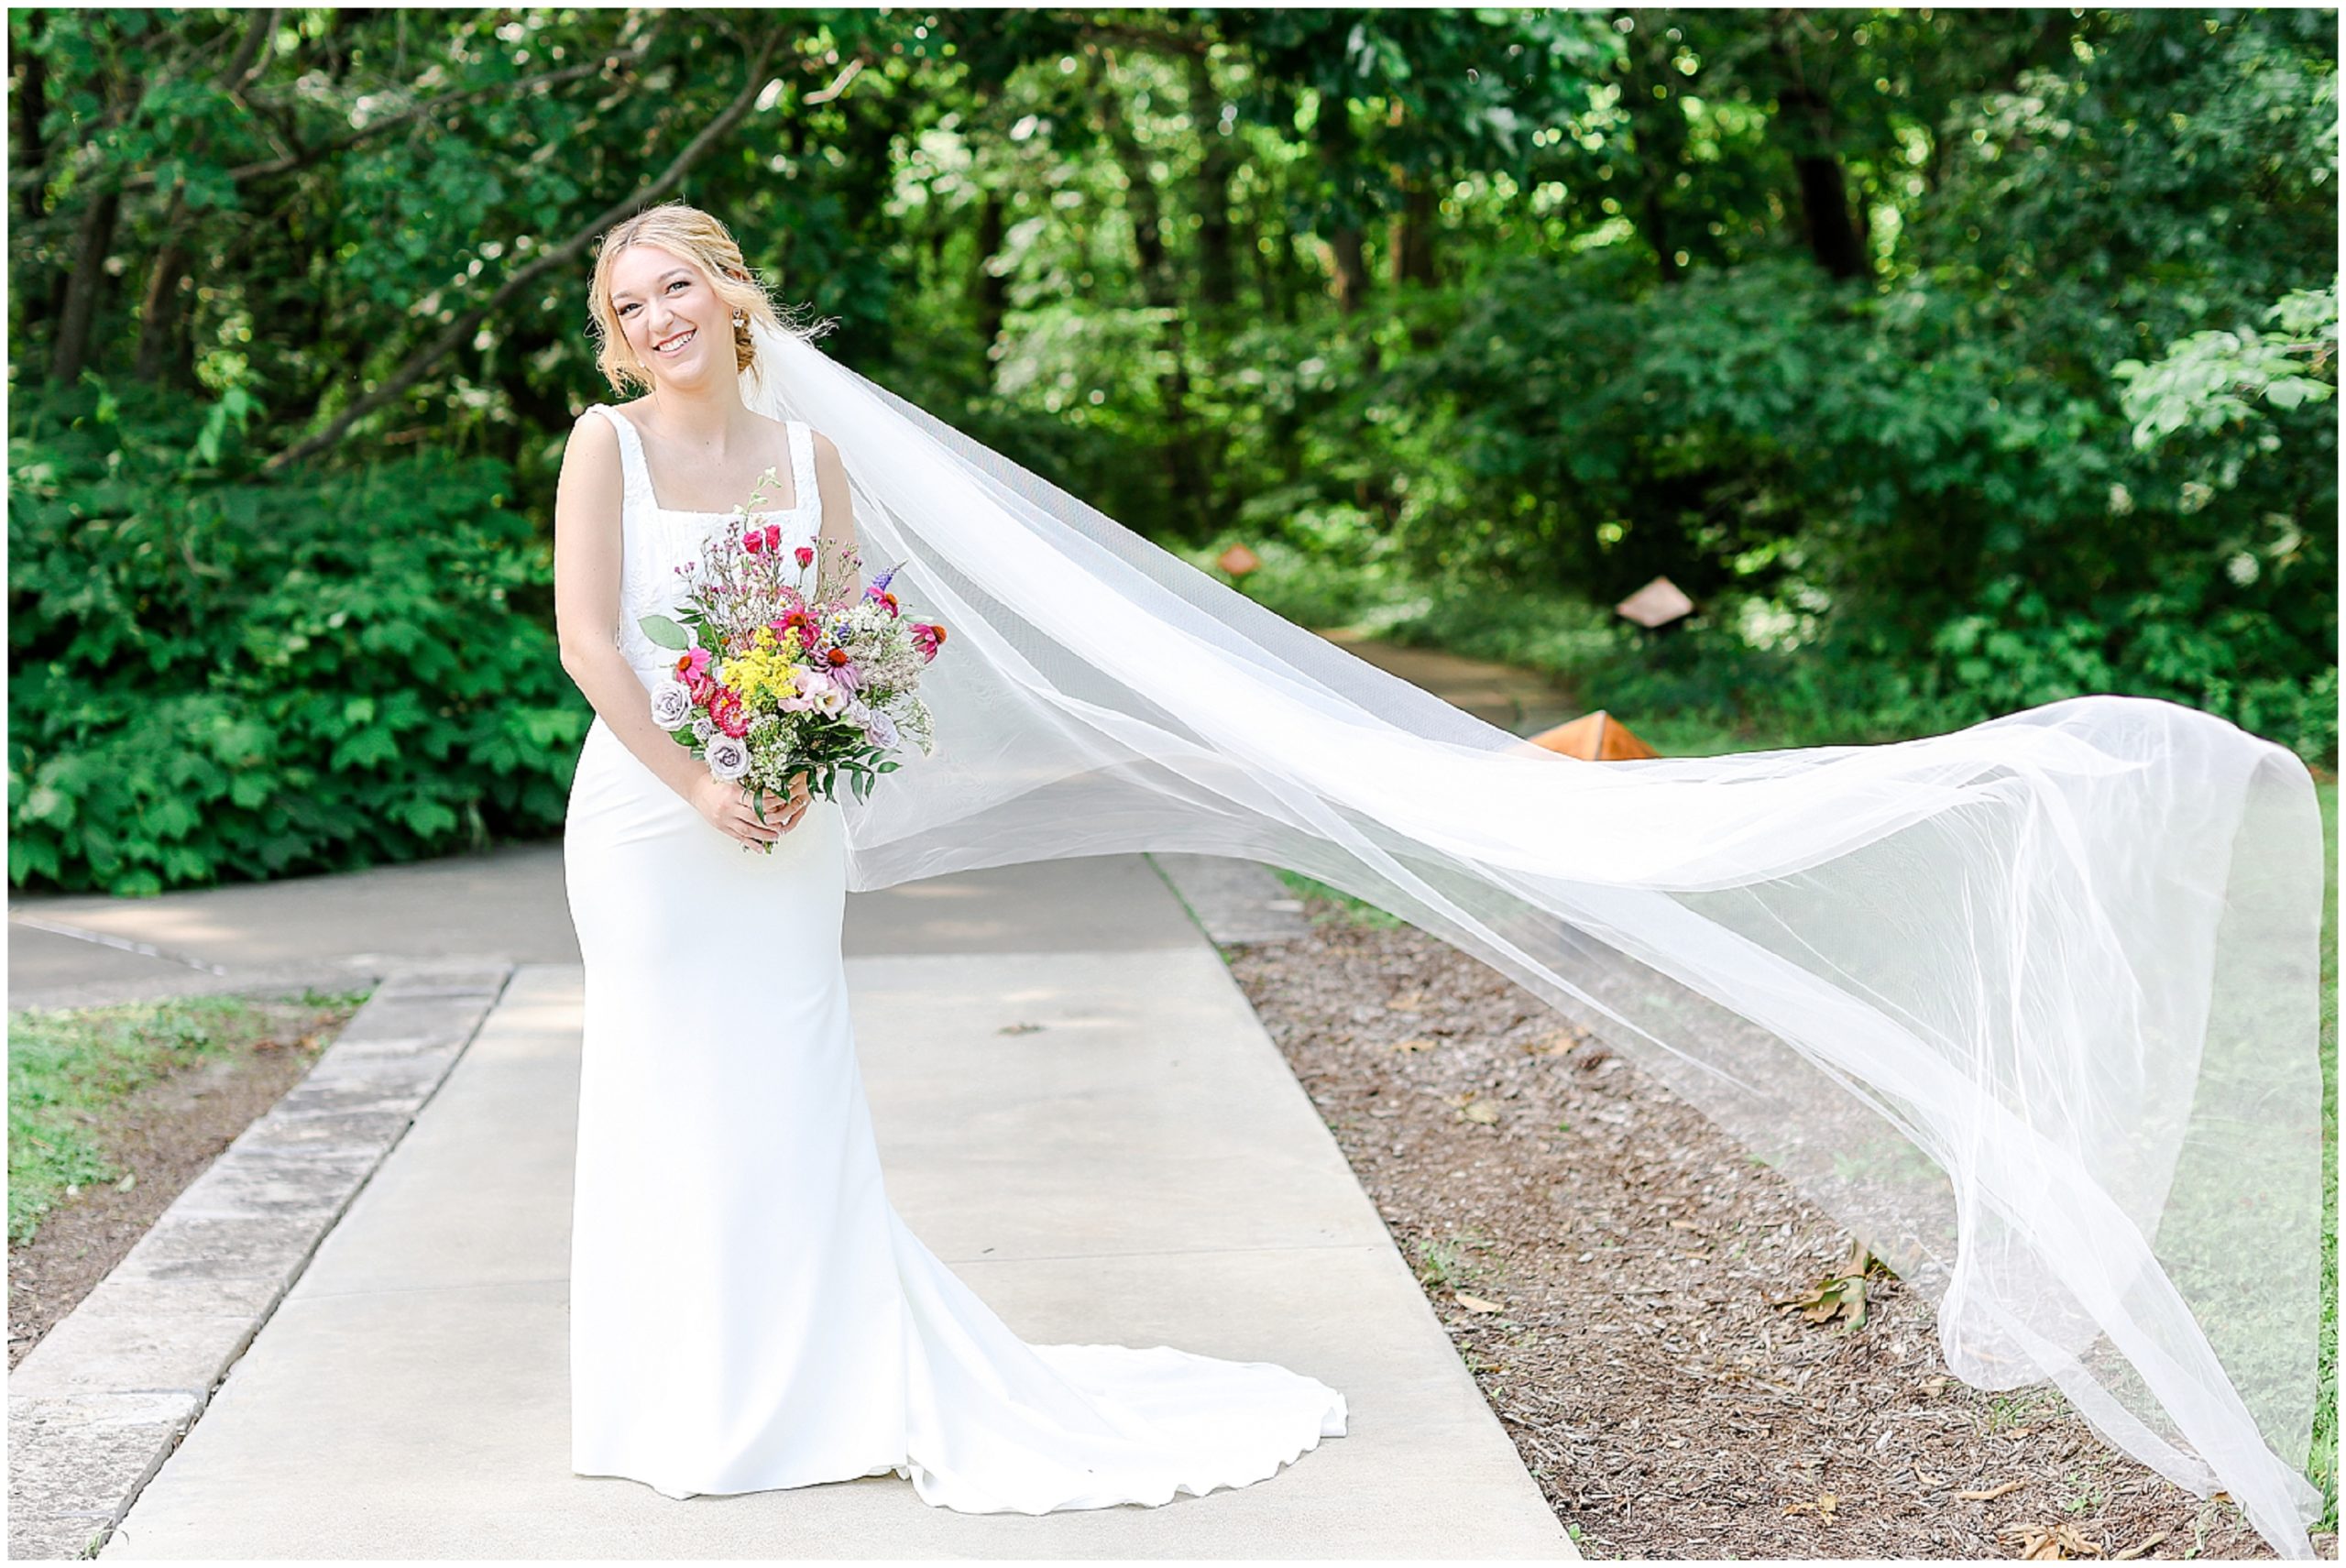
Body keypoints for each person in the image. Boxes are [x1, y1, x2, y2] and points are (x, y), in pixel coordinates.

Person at [552, 203, 1348, 1512]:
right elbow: (590, 644)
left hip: (789, 820)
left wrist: (798, 759)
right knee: (662, 1085)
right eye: (627, 307)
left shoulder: (809, 459)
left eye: (675, 289)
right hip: (648, 820)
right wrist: (700, 780)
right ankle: (677, 1398)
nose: (656, 321)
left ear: (730, 292)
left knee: (789, 1084)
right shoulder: (605, 449)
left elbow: (843, 633)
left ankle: (825, 1385)